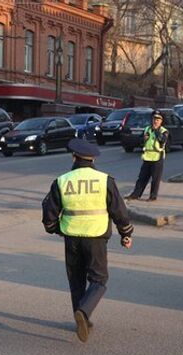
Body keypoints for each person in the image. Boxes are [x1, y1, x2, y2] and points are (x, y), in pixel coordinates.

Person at [42, 138, 134, 343]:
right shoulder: (105, 180)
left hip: (71, 237)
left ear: (73, 157)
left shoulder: (62, 180)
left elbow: (49, 213)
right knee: (99, 280)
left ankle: (81, 319)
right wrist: (126, 234)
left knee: (76, 281)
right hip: (96, 237)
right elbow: (119, 211)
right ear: (93, 159)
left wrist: (55, 229)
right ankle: (84, 312)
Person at [126, 110, 169, 202]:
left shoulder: (164, 131)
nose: (155, 121)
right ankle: (135, 194)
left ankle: (153, 197)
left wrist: (156, 131)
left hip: (157, 158)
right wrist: (143, 139)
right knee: (142, 177)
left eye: (158, 119)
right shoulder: (147, 129)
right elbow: (141, 142)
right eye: (154, 119)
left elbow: (162, 140)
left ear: (161, 121)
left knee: (155, 179)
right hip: (147, 157)